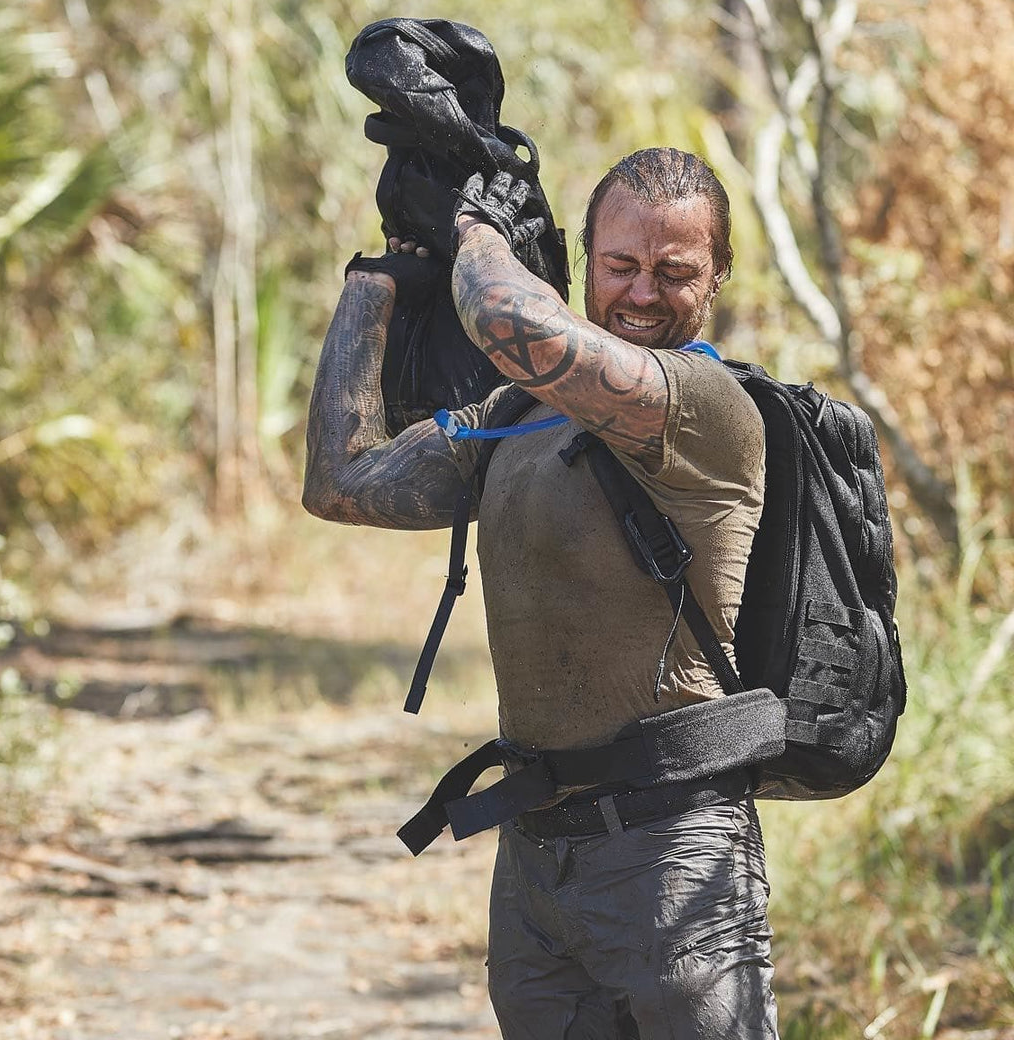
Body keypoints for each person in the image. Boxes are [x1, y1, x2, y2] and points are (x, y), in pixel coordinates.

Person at [302, 147, 779, 1039]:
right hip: (536, 858)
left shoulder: (704, 406)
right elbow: (341, 482)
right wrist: (381, 277)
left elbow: (499, 312)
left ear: (716, 278)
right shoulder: (516, 415)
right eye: (621, 265)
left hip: (673, 854)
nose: (642, 294)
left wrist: (478, 227)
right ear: (586, 262)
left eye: (674, 272)